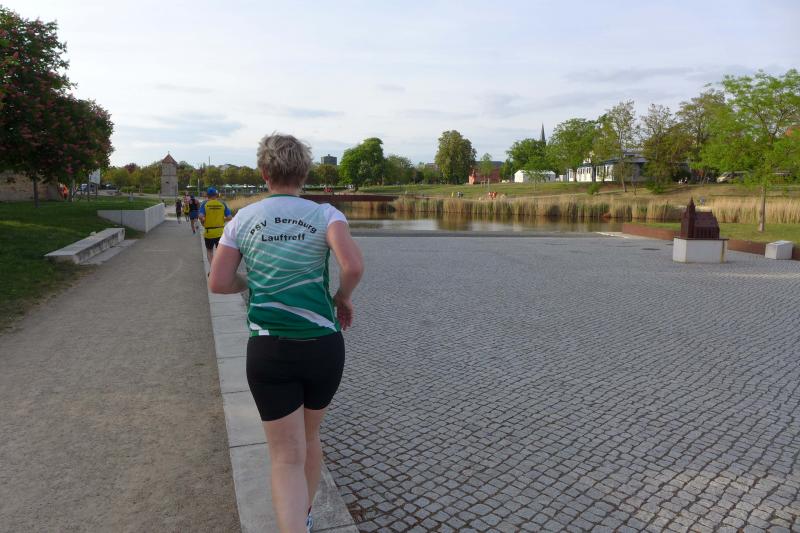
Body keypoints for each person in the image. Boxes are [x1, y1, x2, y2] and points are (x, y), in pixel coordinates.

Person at [208, 133, 363, 533]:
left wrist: (248, 283)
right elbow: (352, 266)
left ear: (264, 173)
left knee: (283, 455)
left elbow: (218, 282)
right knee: (309, 438)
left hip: (269, 349)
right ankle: (304, 518)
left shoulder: (242, 219)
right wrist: (342, 297)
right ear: (304, 173)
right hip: (322, 347)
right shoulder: (326, 215)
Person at [198, 187, 232, 264]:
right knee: (220, 251)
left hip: (209, 232)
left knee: (209, 251)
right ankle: (219, 267)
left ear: (207, 195)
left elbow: (200, 216)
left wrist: (203, 222)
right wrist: (223, 219)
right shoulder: (222, 203)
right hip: (220, 232)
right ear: (216, 195)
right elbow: (230, 217)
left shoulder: (204, 203)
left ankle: (212, 267)